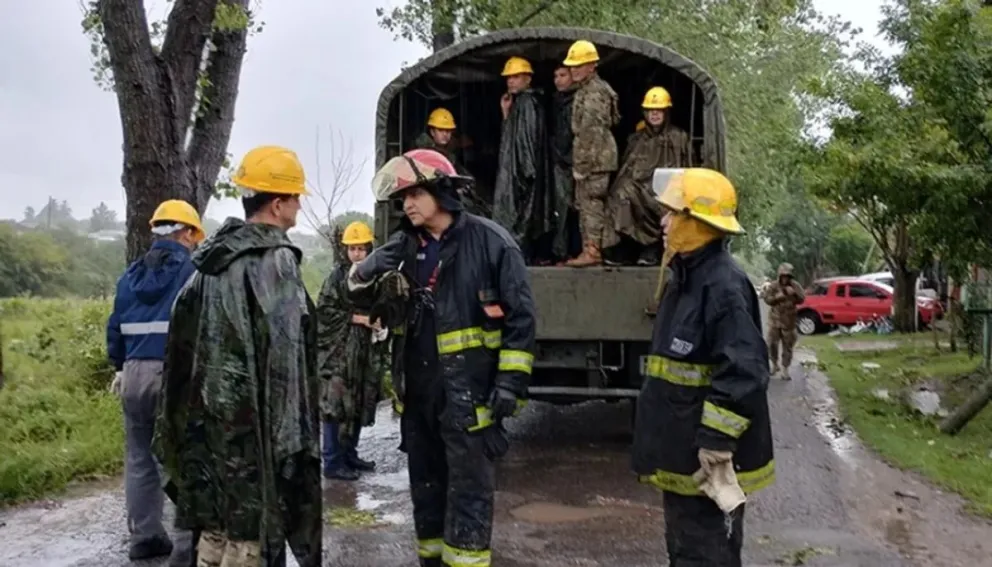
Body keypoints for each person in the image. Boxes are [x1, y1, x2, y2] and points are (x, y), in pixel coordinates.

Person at [348, 148, 536, 567]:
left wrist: (509, 383)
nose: (408, 204)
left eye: (416, 194)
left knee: (469, 497)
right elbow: (355, 298)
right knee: (426, 494)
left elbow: (522, 321)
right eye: (403, 198)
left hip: (469, 401)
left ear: (443, 192)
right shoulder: (405, 248)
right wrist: (370, 269)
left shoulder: (492, 243)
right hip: (419, 400)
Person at [156, 145, 322, 567]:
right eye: (297, 197)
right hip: (256, 438)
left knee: (217, 533)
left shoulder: (209, 262)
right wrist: (293, 449)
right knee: (254, 542)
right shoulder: (276, 259)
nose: (300, 205)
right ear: (278, 203)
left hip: (211, 431)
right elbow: (286, 360)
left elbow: (180, 346)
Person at [632, 168, 774, 567]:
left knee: (706, 554)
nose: (663, 221)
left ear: (699, 223)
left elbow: (745, 371)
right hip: (683, 456)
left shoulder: (722, 285)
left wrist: (717, 441)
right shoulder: (686, 278)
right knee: (686, 551)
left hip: (705, 463)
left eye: (673, 214)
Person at [106, 199, 203, 561]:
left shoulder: (129, 276)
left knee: (139, 456)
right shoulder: (194, 272)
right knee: (183, 456)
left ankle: (145, 536)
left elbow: (115, 327)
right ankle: (186, 543)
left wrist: (120, 365)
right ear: (186, 232)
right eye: (194, 235)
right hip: (175, 374)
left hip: (132, 374)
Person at [316, 220, 388, 480]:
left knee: (358, 401)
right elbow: (323, 311)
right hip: (337, 352)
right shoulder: (336, 277)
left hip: (364, 352)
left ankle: (349, 454)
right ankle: (333, 463)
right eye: (352, 248)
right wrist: (358, 319)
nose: (357, 253)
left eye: (361, 248)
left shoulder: (375, 276)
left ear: (369, 249)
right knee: (334, 406)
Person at [603, 87, 692, 267]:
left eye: (659, 111)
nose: (655, 115)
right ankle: (626, 247)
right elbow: (626, 167)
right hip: (638, 187)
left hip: (665, 190)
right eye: (651, 111)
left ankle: (652, 248)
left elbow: (688, 168)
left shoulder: (679, 137)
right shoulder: (636, 139)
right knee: (621, 193)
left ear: (666, 112)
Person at [562, 40, 620, 267]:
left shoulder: (595, 93)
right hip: (595, 157)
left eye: (579, 65)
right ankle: (590, 248)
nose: (574, 69)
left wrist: (582, 167)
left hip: (595, 159)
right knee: (585, 203)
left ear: (592, 66)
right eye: (573, 65)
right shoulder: (588, 90)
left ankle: (593, 251)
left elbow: (591, 132)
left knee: (591, 204)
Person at [493, 56, 552, 263]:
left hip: (521, 176)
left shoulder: (528, 103)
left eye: (516, 77)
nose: (511, 81)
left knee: (520, 218)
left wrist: (525, 173)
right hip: (518, 173)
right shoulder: (519, 104)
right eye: (509, 77)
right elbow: (511, 139)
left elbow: (526, 143)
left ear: (528, 78)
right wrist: (506, 114)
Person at [414, 108, 489, 216]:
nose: (445, 134)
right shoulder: (424, 154)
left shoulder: (449, 153)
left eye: (448, 131)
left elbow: (460, 173)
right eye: (441, 130)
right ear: (432, 132)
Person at [550, 64, 580, 262]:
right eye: (555, 75)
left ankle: (571, 251)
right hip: (559, 162)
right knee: (559, 210)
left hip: (575, 163)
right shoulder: (555, 102)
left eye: (562, 75)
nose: (558, 79)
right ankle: (561, 252)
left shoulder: (578, 100)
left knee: (573, 211)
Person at [763, 262, 805, 379]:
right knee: (771, 344)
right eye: (783, 275)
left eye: (787, 276)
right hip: (775, 321)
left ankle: (785, 369)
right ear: (779, 275)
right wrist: (779, 296)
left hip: (789, 322)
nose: (785, 278)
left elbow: (802, 299)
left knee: (788, 347)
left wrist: (794, 294)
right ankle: (774, 365)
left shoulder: (795, 285)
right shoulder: (773, 285)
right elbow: (767, 299)